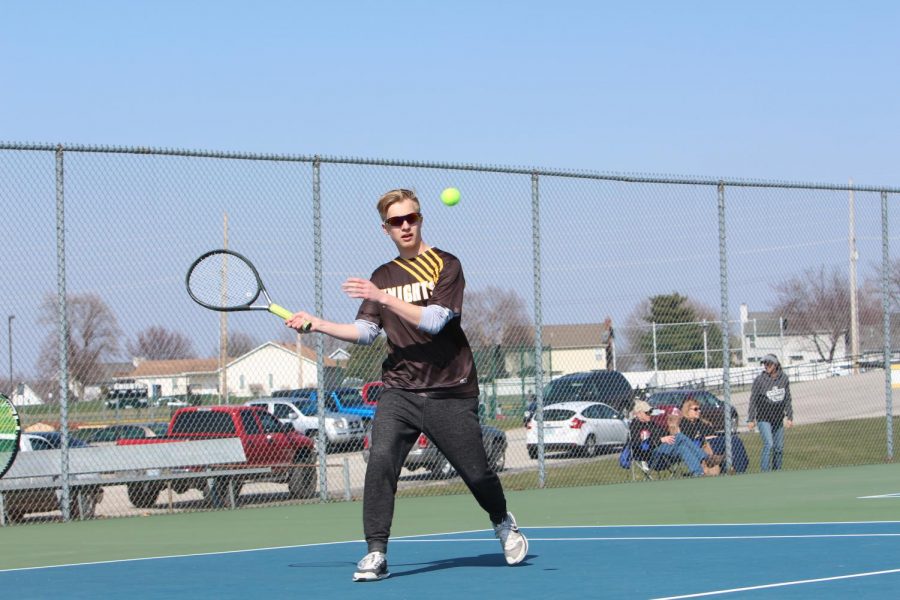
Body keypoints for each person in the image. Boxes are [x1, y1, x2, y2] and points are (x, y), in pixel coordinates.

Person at [285, 188, 527, 582]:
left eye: (411, 218)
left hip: (450, 389)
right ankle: (376, 552)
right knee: (380, 461)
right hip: (399, 390)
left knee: (478, 472)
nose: (405, 226)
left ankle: (502, 521)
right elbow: (366, 331)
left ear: (420, 219)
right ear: (386, 228)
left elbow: (434, 320)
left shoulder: (446, 265)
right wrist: (318, 324)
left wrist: (382, 297)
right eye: (396, 221)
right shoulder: (382, 275)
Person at [628, 400, 719, 478]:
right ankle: (706, 458)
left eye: (651, 411)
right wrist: (660, 440)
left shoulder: (652, 423)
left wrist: (667, 435)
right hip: (652, 457)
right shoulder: (634, 426)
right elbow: (637, 445)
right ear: (639, 413)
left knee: (682, 448)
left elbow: (665, 433)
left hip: (665, 454)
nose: (650, 414)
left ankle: (699, 473)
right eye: (647, 412)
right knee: (679, 436)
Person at [747, 354, 793, 471]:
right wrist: (751, 419)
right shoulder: (759, 380)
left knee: (779, 448)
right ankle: (765, 472)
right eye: (764, 364)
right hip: (764, 418)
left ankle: (777, 471)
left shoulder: (784, 379)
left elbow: (787, 398)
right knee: (769, 444)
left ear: (775, 364)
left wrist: (790, 417)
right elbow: (753, 400)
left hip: (778, 418)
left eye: (769, 363)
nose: (766, 366)